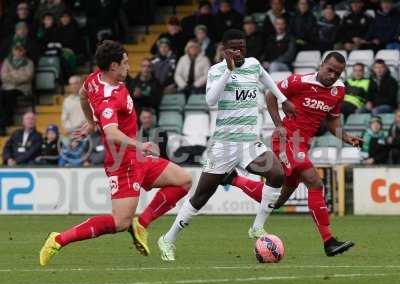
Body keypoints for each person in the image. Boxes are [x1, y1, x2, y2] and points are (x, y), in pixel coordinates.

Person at [39, 40, 192, 266]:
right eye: (125, 63)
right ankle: (58, 239)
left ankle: (142, 224)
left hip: (135, 157)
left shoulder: (94, 79)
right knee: (120, 222)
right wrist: (139, 145)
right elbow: (111, 134)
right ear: (113, 66)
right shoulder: (110, 98)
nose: (129, 67)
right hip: (124, 163)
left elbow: (82, 95)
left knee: (184, 181)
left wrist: (91, 122)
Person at [157, 29, 296, 261]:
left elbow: (267, 79)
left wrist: (283, 100)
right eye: (234, 47)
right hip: (224, 145)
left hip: (250, 142)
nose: (239, 51)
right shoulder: (216, 70)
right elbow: (210, 100)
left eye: (242, 46)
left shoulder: (252, 64)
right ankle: (168, 238)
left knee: (277, 174)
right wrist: (228, 72)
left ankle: (257, 227)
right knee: (201, 197)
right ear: (224, 49)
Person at [222, 52, 361, 257]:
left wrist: (347, 137)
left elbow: (332, 122)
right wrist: (279, 125)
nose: (332, 75)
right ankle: (328, 241)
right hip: (287, 140)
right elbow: (271, 94)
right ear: (321, 65)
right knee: (315, 183)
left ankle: (232, 179)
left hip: (303, 145)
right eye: (329, 70)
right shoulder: (298, 81)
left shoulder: (339, 90)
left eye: (337, 73)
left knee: (276, 200)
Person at [0, 44, 34, 135]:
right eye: (16, 50)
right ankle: (4, 121)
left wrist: (12, 77)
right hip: (7, 87)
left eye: (20, 50)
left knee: (9, 95)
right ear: (13, 51)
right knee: (3, 95)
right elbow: (3, 76)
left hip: (22, 88)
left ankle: (5, 122)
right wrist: (17, 77)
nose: (18, 52)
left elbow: (28, 77)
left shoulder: (29, 62)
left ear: (24, 51)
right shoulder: (7, 61)